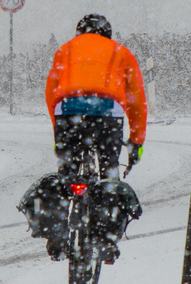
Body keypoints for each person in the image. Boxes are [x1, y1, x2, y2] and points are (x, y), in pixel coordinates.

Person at [44, 13, 147, 179]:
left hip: (68, 111)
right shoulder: (122, 53)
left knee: (67, 174)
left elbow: (51, 94)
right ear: (108, 34)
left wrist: (59, 128)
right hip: (107, 112)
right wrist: (136, 141)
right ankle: (108, 192)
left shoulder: (64, 50)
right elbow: (136, 102)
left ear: (79, 33)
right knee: (109, 171)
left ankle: (63, 194)